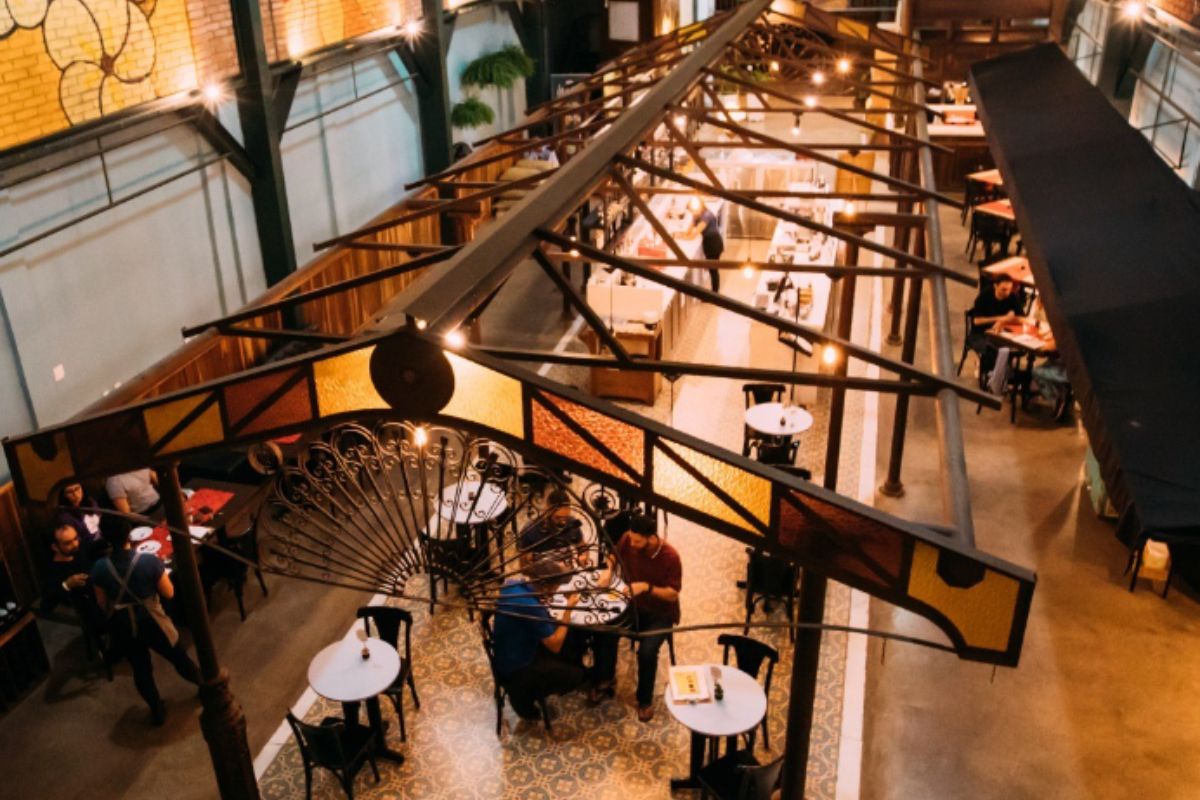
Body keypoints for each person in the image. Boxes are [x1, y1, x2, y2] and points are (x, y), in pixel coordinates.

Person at [90, 520, 199, 725]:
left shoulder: (99, 568)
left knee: (140, 669)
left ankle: (157, 710)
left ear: (106, 538)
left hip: (122, 624)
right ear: (129, 534)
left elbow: (102, 603)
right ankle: (203, 686)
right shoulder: (148, 561)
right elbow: (169, 592)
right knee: (178, 656)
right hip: (151, 620)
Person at [591, 511, 682, 722]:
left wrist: (646, 587)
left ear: (651, 538)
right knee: (604, 630)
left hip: (660, 613)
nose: (631, 543)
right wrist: (608, 570)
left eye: (637, 540)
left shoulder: (670, 557)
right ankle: (605, 678)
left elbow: (673, 594)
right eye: (631, 538)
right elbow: (614, 554)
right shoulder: (628, 539)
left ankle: (644, 700)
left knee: (647, 653)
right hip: (633, 605)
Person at [492, 558, 584, 720]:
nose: (557, 590)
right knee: (576, 676)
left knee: (569, 635)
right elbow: (554, 644)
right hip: (518, 667)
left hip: (504, 652)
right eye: (556, 586)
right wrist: (568, 609)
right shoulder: (531, 607)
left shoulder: (511, 584)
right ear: (546, 586)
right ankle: (523, 699)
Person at [968, 275, 1024, 376]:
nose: (1007, 293)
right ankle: (990, 371)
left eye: (1009, 290)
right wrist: (1000, 318)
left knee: (1014, 347)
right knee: (993, 348)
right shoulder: (984, 296)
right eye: (1003, 290)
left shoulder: (1012, 296)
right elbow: (977, 321)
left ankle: (1004, 372)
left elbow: (1022, 318)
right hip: (981, 333)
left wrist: (1004, 322)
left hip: (1002, 332)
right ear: (995, 286)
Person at [518, 489, 584, 559]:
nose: (563, 522)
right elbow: (523, 558)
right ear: (548, 511)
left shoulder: (571, 523)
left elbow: (582, 545)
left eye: (566, 517)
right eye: (558, 517)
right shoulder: (530, 529)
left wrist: (583, 556)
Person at [683, 197, 724, 292]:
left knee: (713, 270)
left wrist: (682, 237)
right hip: (708, 242)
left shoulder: (707, 216)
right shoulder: (697, 215)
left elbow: (694, 234)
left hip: (714, 243)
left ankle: (714, 293)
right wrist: (683, 235)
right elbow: (689, 230)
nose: (693, 212)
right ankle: (714, 292)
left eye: (693, 210)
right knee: (711, 269)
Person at [55, 482, 103, 551]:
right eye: (69, 491)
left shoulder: (90, 502)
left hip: (102, 540)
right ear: (64, 495)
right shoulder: (65, 517)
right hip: (88, 549)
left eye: (77, 488)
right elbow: (76, 540)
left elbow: (100, 517)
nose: (75, 494)